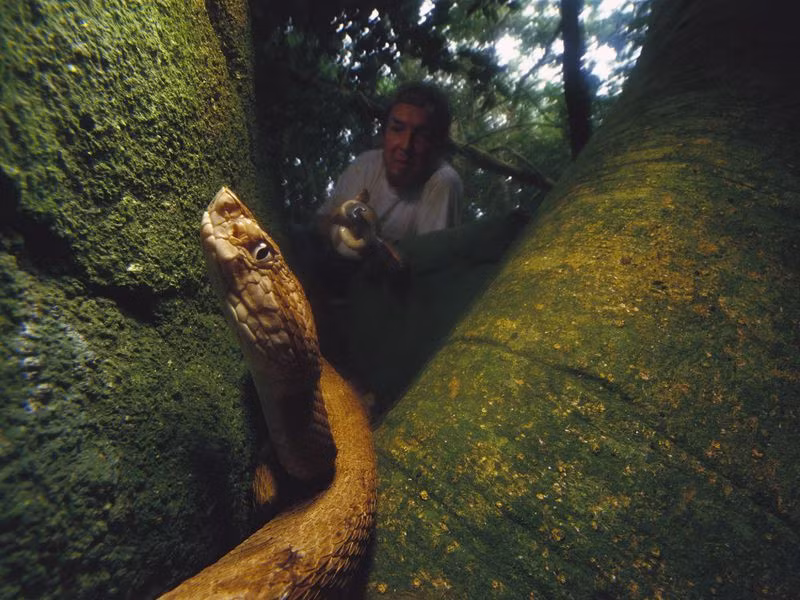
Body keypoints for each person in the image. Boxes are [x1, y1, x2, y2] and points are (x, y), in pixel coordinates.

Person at [317, 82, 463, 250]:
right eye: (397, 129)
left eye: (421, 135)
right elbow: (321, 222)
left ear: (436, 145)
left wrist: (371, 244)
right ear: (384, 133)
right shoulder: (367, 164)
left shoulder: (443, 182)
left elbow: (429, 262)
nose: (406, 145)